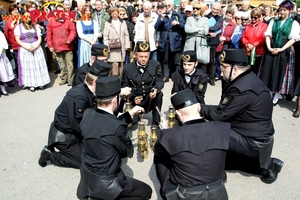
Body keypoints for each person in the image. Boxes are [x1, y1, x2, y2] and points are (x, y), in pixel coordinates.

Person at [200, 49, 284, 184]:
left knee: (210, 127)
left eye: (224, 68)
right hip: (256, 137)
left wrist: (200, 108)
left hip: (254, 143)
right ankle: (267, 166)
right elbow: (225, 108)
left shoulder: (241, 88)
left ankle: (217, 172)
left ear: (235, 69)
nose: (221, 72)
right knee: (232, 163)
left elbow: (219, 114)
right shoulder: (247, 78)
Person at [77, 76, 152, 200]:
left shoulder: (87, 113)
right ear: (114, 101)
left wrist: (127, 116)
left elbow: (104, 125)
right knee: (145, 192)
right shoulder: (117, 127)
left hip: (87, 174)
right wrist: (122, 126)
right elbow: (127, 152)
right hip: (107, 182)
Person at [154, 89, 230, 200]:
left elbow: (158, 151)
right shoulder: (222, 128)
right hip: (218, 192)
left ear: (178, 113)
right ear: (199, 107)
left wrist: (165, 133)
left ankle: (167, 193)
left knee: (160, 157)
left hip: (186, 195)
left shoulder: (170, 135)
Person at [38, 60, 112, 169]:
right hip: (65, 136)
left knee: (99, 155)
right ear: (95, 82)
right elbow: (78, 125)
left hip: (76, 133)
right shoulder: (79, 97)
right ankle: (50, 155)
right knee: (88, 163)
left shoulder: (90, 91)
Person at [259, 0, 300, 105]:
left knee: (280, 72)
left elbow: (293, 39)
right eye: (281, 10)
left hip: (284, 50)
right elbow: (268, 35)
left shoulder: (293, 23)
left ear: (290, 11)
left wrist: (281, 49)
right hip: (271, 48)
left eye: (285, 10)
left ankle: (277, 93)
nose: (282, 12)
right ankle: (267, 92)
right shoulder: (273, 21)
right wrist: (269, 47)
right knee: (268, 70)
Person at [122, 41, 164, 126]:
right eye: (141, 56)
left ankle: (156, 121)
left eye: (146, 56)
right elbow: (124, 87)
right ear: (136, 55)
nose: (143, 59)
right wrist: (133, 97)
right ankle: (122, 124)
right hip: (135, 101)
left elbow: (160, 81)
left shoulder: (155, 65)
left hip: (150, 99)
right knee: (130, 124)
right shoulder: (127, 68)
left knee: (160, 94)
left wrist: (156, 89)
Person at [14, 10, 50, 92]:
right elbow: (17, 39)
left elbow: (39, 37)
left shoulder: (35, 26)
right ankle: (31, 84)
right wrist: (26, 46)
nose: (28, 18)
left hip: (36, 47)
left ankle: (41, 82)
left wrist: (36, 45)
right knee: (28, 66)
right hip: (25, 48)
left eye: (29, 16)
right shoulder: (18, 27)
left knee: (38, 65)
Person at [155, 0, 185, 82]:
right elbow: (157, 27)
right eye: (166, 5)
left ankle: (177, 75)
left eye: (169, 5)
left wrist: (178, 23)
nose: (167, 7)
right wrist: (161, 18)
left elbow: (183, 26)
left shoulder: (177, 15)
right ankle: (166, 75)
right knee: (165, 59)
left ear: (172, 6)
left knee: (177, 60)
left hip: (175, 40)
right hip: (165, 39)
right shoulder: (162, 15)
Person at [46, 4, 77, 86]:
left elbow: (73, 31)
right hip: (57, 47)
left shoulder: (68, 20)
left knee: (69, 64)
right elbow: (49, 35)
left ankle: (71, 80)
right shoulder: (51, 20)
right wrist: (50, 45)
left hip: (67, 46)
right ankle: (64, 78)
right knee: (62, 65)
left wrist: (70, 39)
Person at [103, 7, 130, 77]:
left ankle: (121, 83)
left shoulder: (123, 22)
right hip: (112, 49)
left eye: (116, 13)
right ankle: (115, 84)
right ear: (110, 14)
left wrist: (127, 45)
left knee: (121, 67)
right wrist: (107, 46)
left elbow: (126, 34)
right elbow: (105, 36)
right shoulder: (107, 23)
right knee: (114, 68)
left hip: (122, 48)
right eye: (113, 13)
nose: (114, 15)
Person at [241, 8, 267, 75]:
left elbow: (263, 39)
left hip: (258, 53)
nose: (253, 19)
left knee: (256, 72)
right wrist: (247, 44)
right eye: (252, 17)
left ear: (259, 17)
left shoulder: (264, 26)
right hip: (247, 52)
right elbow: (243, 37)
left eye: (255, 18)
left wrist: (254, 45)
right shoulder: (247, 26)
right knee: (246, 72)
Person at [184, 3, 208, 67]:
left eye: (197, 8)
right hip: (190, 43)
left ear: (201, 10)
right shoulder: (189, 19)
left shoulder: (205, 19)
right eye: (194, 8)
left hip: (200, 43)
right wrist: (199, 29)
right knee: (189, 60)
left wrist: (192, 31)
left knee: (201, 62)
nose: (195, 10)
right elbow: (187, 29)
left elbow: (205, 32)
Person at [204, 2, 223, 86]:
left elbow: (216, 27)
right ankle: (203, 77)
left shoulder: (220, 18)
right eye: (214, 9)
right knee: (204, 60)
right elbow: (201, 26)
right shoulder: (205, 16)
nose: (215, 11)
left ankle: (211, 78)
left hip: (213, 42)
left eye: (217, 9)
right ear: (211, 8)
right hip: (204, 41)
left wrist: (205, 29)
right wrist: (208, 32)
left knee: (212, 61)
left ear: (219, 10)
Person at [76, 4, 98, 68]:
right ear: (83, 12)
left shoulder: (94, 21)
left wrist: (93, 42)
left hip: (93, 42)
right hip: (84, 43)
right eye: (86, 10)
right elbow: (80, 34)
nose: (88, 12)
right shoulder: (79, 22)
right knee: (85, 59)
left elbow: (96, 32)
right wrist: (91, 41)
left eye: (89, 10)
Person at [0, 30, 15, 96]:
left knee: (2, 74)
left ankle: (3, 89)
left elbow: (3, 44)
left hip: (0, 55)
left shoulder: (0, 33)